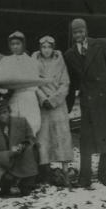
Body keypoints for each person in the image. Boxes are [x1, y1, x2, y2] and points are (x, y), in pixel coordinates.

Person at [64, 18, 106, 187]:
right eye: (75, 32)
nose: (78, 35)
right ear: (72, 34)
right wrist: (66, 107)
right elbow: (71, 82)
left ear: (86, 31)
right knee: (86, 140)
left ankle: (105, 176)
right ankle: (85, 178)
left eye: (81, 31)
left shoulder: (100, 44)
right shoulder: (69, 55)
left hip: (104, 99)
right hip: (87, 101)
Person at [32, 35, 74, 185]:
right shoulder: (34, 62)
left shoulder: (60, 61)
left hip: (58, 105)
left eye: (49, 47)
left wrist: (54, 100)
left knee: (61, 137)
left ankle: (65, 172)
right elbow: (33, 83)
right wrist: (44, 99)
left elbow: (65, 83)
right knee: (43, 139)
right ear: (40, 48)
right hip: (43, 106)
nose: (47, 50)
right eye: (44, 47)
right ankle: (45, 173)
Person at [0, 99, 39, 197]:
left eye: (5, 112)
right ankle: (7, 184)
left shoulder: (22, 122)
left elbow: (31, 139)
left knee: (26, 192)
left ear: (9, 111)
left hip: (22, 160)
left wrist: (23, 145)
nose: (3, 116)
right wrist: (8, 154)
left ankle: (26, 182)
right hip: (2, 163)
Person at [0, 31, 41, 135]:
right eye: (12, 44)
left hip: (28, 97)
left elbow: (35, 81)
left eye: (18, 44)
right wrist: (5, 89)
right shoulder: (5, 61)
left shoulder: (31, 61)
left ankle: (30, 148)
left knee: (31, 125)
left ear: (23, 45)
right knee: (13, 127)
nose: (15, 47)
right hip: (12, 97)